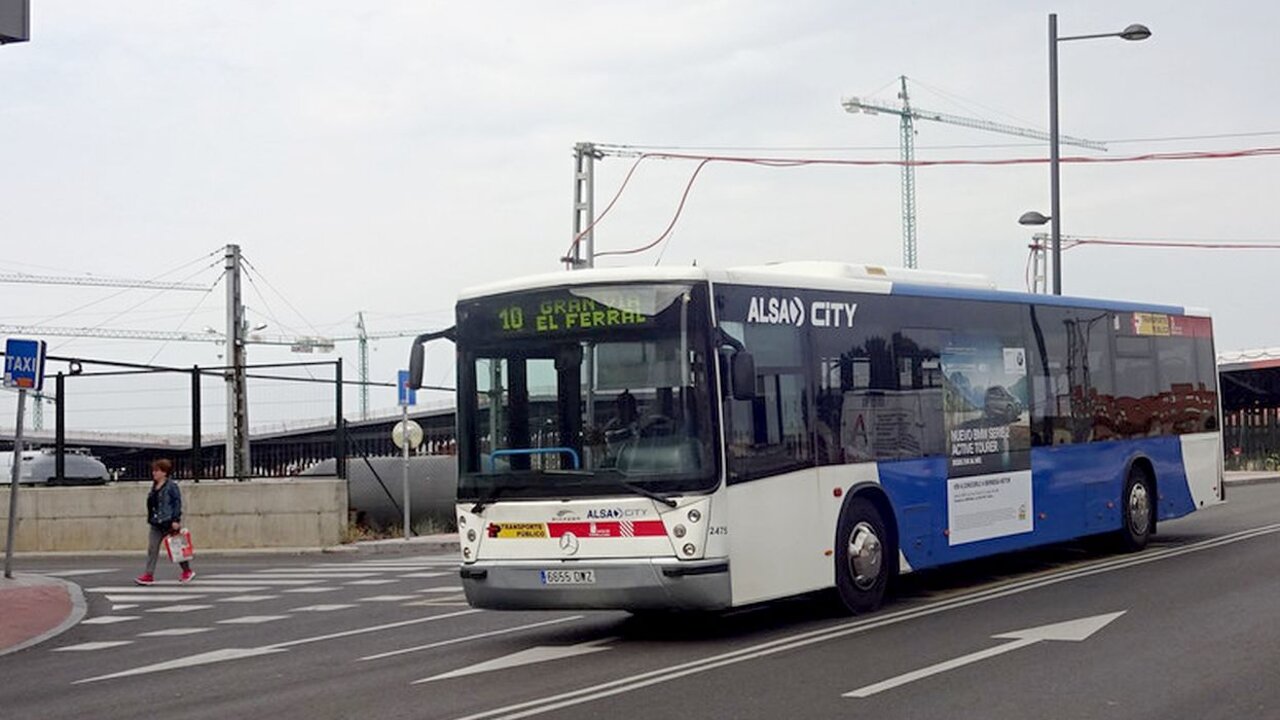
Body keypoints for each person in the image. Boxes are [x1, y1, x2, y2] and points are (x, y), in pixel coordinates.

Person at [135, 458, 194, 585]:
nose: (154, 473)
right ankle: (149, 574)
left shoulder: (172, 486)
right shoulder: (154, 487)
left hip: (168, 521)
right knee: (152, 548)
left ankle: (187, 570)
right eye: (154, 471)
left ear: (164, 472)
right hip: (156, 522)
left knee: (176, 548)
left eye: (157, 471)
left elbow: (177, 503)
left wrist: (176, 519)